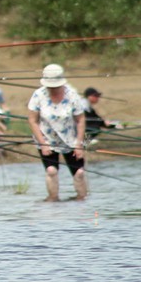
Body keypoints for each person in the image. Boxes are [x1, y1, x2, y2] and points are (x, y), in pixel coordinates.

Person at [27, 64, 87, 201]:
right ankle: (53, 199)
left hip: (70, 139)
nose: (53, 89)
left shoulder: (72, 95)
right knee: (51, 171)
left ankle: (82, 200)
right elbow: (32, 120)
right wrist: (43, 144)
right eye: (50, 86)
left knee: (79, 172)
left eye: (55, 86)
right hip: (47, 139)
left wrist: (79, 143)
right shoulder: (38, 95)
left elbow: (81, 119)